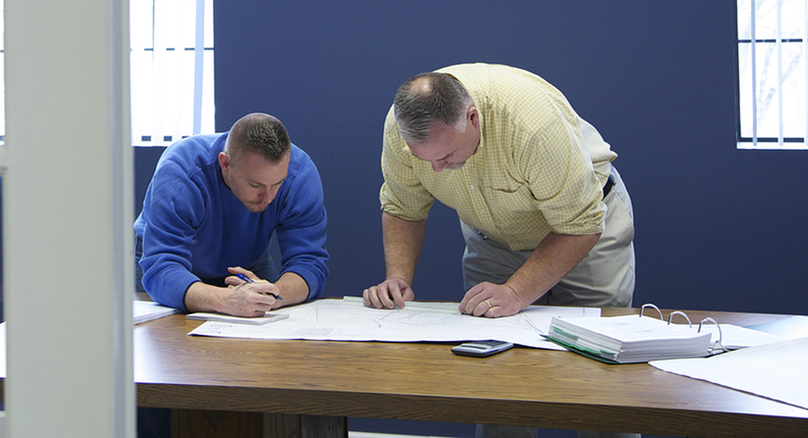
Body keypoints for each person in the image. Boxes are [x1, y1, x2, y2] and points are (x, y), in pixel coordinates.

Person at [362, 64, 637, 438]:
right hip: (493, 234)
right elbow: (403, 206)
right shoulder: (400, 129)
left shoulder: (532, 125)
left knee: (595, 372)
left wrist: (515, 292)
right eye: (425, 160)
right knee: (495, 373)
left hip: (584, 231)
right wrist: (398, 277)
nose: (438, 170)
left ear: (472, 117)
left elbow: (580, 225)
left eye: (446, 155)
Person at [135, 112, 330, 316]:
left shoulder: (300, 174)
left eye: (278, 183)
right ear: (225, 164)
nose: (269, 197)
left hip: (247, 262)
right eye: (256, 184)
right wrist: (224, 300)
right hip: (166, 262)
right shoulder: (181, 173)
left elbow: (309, 262)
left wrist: (274, 295)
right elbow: (162, 267)